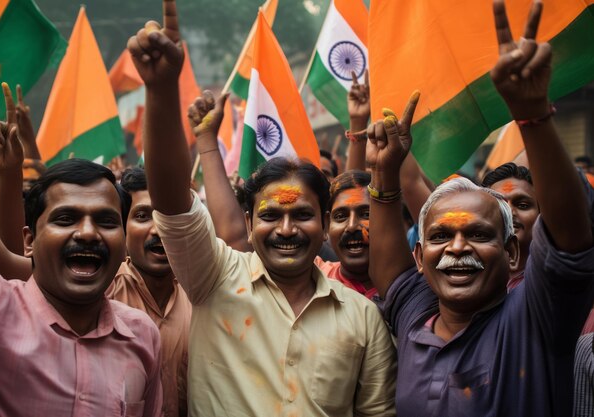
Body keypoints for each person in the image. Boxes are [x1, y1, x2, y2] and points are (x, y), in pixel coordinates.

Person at [127, 2, 396, 415]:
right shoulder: (213, 276)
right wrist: (161, 90)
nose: (286, 229)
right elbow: (171, 203)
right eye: (270, 215)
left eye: (302, 215)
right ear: (249, 223)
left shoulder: (363, 318)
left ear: (325, 225)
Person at [368, 1, 593, 415]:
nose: (457, 247)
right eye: (440, 236)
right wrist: (383, 177)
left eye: (477, 234)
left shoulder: (536, 319)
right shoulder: (415, 318)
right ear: (419, 256)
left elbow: (571, 239)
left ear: (511, 253)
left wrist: (532, 117)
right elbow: (388, 274)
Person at [0, 158, 162, 416]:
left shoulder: (143, 336)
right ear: (29, 241)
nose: (88, 233)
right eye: (65, 219)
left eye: (106, 222)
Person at [108, 166, 191, 417]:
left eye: (169, 216)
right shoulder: (101, 292)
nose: (158, 230)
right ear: (122, 227)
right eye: (143, 216)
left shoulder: (203, 294)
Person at [316, 169, 376, 297]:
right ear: (327, 225)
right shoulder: (313, 277)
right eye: (340, 216)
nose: (352, 226)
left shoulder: (409, 281)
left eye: (366, 214)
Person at [481, 162, 538, 290]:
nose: (510, 212)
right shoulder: (464, 275)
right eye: (499, 205)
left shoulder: (554, 279)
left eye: (522, 205)